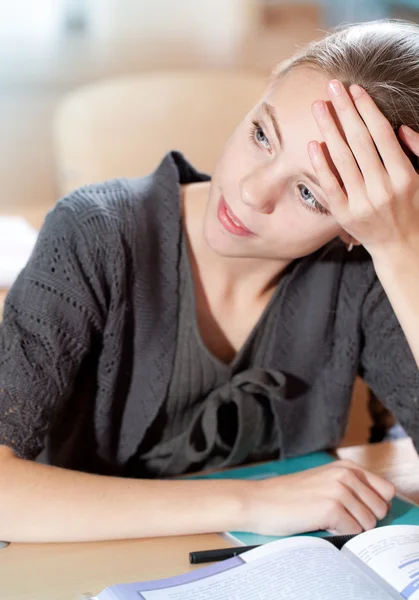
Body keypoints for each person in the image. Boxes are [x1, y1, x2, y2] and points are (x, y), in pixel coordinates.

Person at [0, 18, 418, 544]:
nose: (250, 191)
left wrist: (401, 250)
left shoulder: (365, 273)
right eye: (263, 134)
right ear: (264, 90)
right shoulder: (94, 234)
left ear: (364, 221)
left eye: (311, 194)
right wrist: (252, 501)